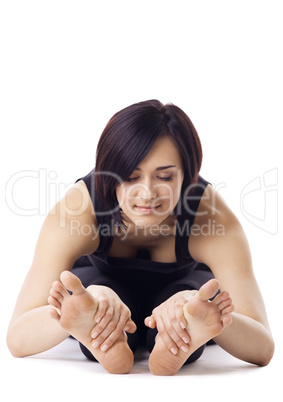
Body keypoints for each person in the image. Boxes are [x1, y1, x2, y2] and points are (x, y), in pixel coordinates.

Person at [6, 100, 274, 375]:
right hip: (100, 284)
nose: (147, 193)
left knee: (190, 298)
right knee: (92, 293)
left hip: (183, 285)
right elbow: (17, 337)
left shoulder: (211, 217)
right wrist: (72, 313)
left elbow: (262, 346)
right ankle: (100, 325)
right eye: (131, 177)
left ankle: (181, 329)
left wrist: (213, 317)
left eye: (165, 177)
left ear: (188, 175)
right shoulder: (78, 210)